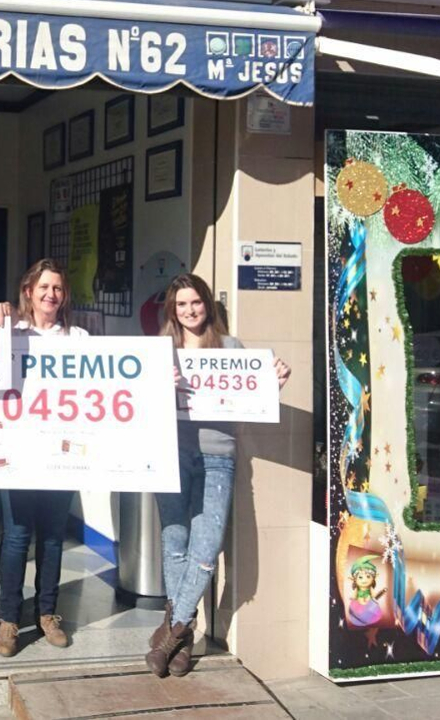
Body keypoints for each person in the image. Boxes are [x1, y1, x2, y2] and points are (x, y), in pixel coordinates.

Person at [146, 273, 290, 677]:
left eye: (196, 302)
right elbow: (138, 401)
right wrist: (157, 384)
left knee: (206, 550)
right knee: (174, 542)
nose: (190, 310)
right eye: (181, 305)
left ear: (207, 304)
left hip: (217, 457)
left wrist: (274, 381)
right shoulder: (160, 350)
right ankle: (185, 637)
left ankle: (173, 632)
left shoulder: (230, 347)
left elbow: (251, 400)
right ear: (172, 311)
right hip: (171, 452)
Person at [0, 259, 87, 658]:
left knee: (52, 538)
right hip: (17, 451)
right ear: (28, 292)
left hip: (60, 451)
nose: (51, 295)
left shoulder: (77, 337)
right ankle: (9, 619)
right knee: (16, 537)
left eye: (58, 289)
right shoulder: (9, 332)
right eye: (44, 287)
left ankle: (47, 613)